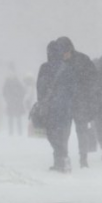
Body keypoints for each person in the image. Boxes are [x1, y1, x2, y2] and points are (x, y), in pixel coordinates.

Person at [54, 36, 97, 169]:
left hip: (80, 101)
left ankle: (83, 158)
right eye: (62, 52)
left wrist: (86, 93)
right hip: (65, 103)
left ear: (71, 49)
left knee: (81, 131)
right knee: (64, 132)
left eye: (66, 52)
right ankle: (63, 156)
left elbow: (93, 79)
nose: (64, 55)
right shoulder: (58, 62)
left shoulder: (82, 60)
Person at [36, 41, 73, 172]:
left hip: (50, 107)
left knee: (52, 134)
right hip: (65, 108)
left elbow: (40, 87)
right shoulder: (67, 68)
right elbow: (72, 88)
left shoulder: (44, 68)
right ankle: (61, 160)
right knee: (64, 134)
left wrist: (41, 102)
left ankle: (61, 159)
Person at [2, 63, 26, 136]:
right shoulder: (9, 81)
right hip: (12, 101)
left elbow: (22, 91)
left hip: (16, 102)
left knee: (16, 118)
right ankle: (11, 132)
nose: (11, 73)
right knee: (11, 118)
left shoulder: (16, 80)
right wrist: (8, 98)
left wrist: (18, 98)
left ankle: (18, 133)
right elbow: (4, 92)